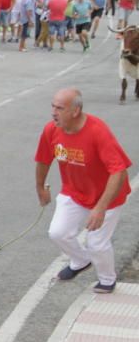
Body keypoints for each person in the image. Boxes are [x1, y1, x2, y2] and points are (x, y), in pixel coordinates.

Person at [36, 89, 132, 294]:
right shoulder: (51, 130)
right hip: (74, 192)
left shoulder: (97, 131)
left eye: (60, 108)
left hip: (108, 196)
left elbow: (119, 171)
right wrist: (40, 187)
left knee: (96, 243)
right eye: (52, 106)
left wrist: (101, 207)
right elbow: (43, 159)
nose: (54, 112)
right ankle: (80, 260)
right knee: (57, 232)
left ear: (75, 111)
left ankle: (107, 279)